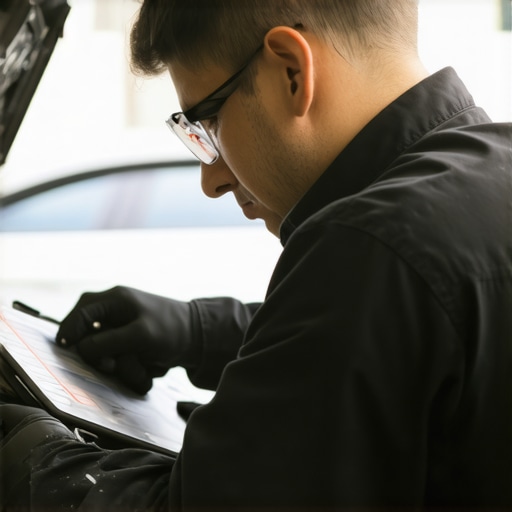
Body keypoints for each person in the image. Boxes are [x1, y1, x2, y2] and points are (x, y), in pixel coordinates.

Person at [1, 0, 511, 509]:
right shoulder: (487, 175)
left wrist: (24, 449)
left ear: (291, 70)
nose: (212, 179)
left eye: (208, 122)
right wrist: (202, 333)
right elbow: (385, 343)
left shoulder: (371, 244)